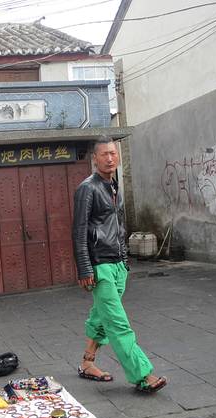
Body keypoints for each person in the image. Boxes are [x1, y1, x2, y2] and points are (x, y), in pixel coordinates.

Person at [72, 136, 167, 393]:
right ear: (95, 158)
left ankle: (87, 362)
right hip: (99, 265)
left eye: (113, 153)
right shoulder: (87, 189)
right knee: (117, 322)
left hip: (117, 265)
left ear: (119, 156)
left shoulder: (114, 186)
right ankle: (142, 375)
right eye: (104, 154)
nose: (110, 158)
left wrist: (124, 260)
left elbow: (119, 226)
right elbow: (79, 231)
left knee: (101, 315)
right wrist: (84, 268)